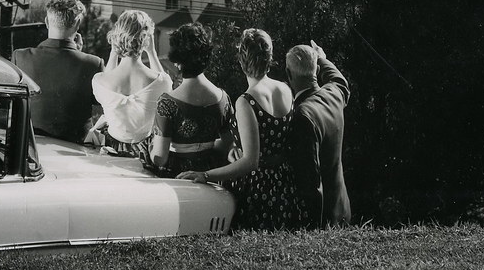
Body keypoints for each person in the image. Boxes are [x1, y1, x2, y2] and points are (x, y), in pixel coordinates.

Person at [178, 28, 304, 230]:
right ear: (269, 57)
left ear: (241, 61)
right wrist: (236, 150)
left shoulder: (246, 101)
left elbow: (251, 162)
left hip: (257, 191)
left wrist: (206, 175)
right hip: (284, 184)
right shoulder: (285, 89)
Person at [12, 0, 103, 143]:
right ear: (77, 24)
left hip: (31, 148)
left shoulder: (20, 57)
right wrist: (79, 54)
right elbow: (98, 102)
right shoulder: (93, 64)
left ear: (47, 22)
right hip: (75, 150)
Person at [149, 23, 235, 176]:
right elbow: (228, 144)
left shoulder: (167, 103)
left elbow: (159, 158)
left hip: (179, 176)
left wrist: (150, 148)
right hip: (212, 174)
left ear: (177, 61)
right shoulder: (223, 98)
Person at [84, 10, 171, 157]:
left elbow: (109, 76)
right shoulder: (162, 82)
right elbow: (164, 86)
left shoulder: (99, 81)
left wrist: (114, 52)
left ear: (117, 39)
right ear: (146, 40)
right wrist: (152, 53)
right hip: (146, 151)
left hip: (111, 150)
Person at [285, 41, 351, 227]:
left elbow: (310, 180)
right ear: (316, 70)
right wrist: (321, 58)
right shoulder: (334, 95)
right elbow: (340, 81)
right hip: (342, 207)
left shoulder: (302, 116)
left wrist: (312, 224)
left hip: (324, 217)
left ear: (289, 74)